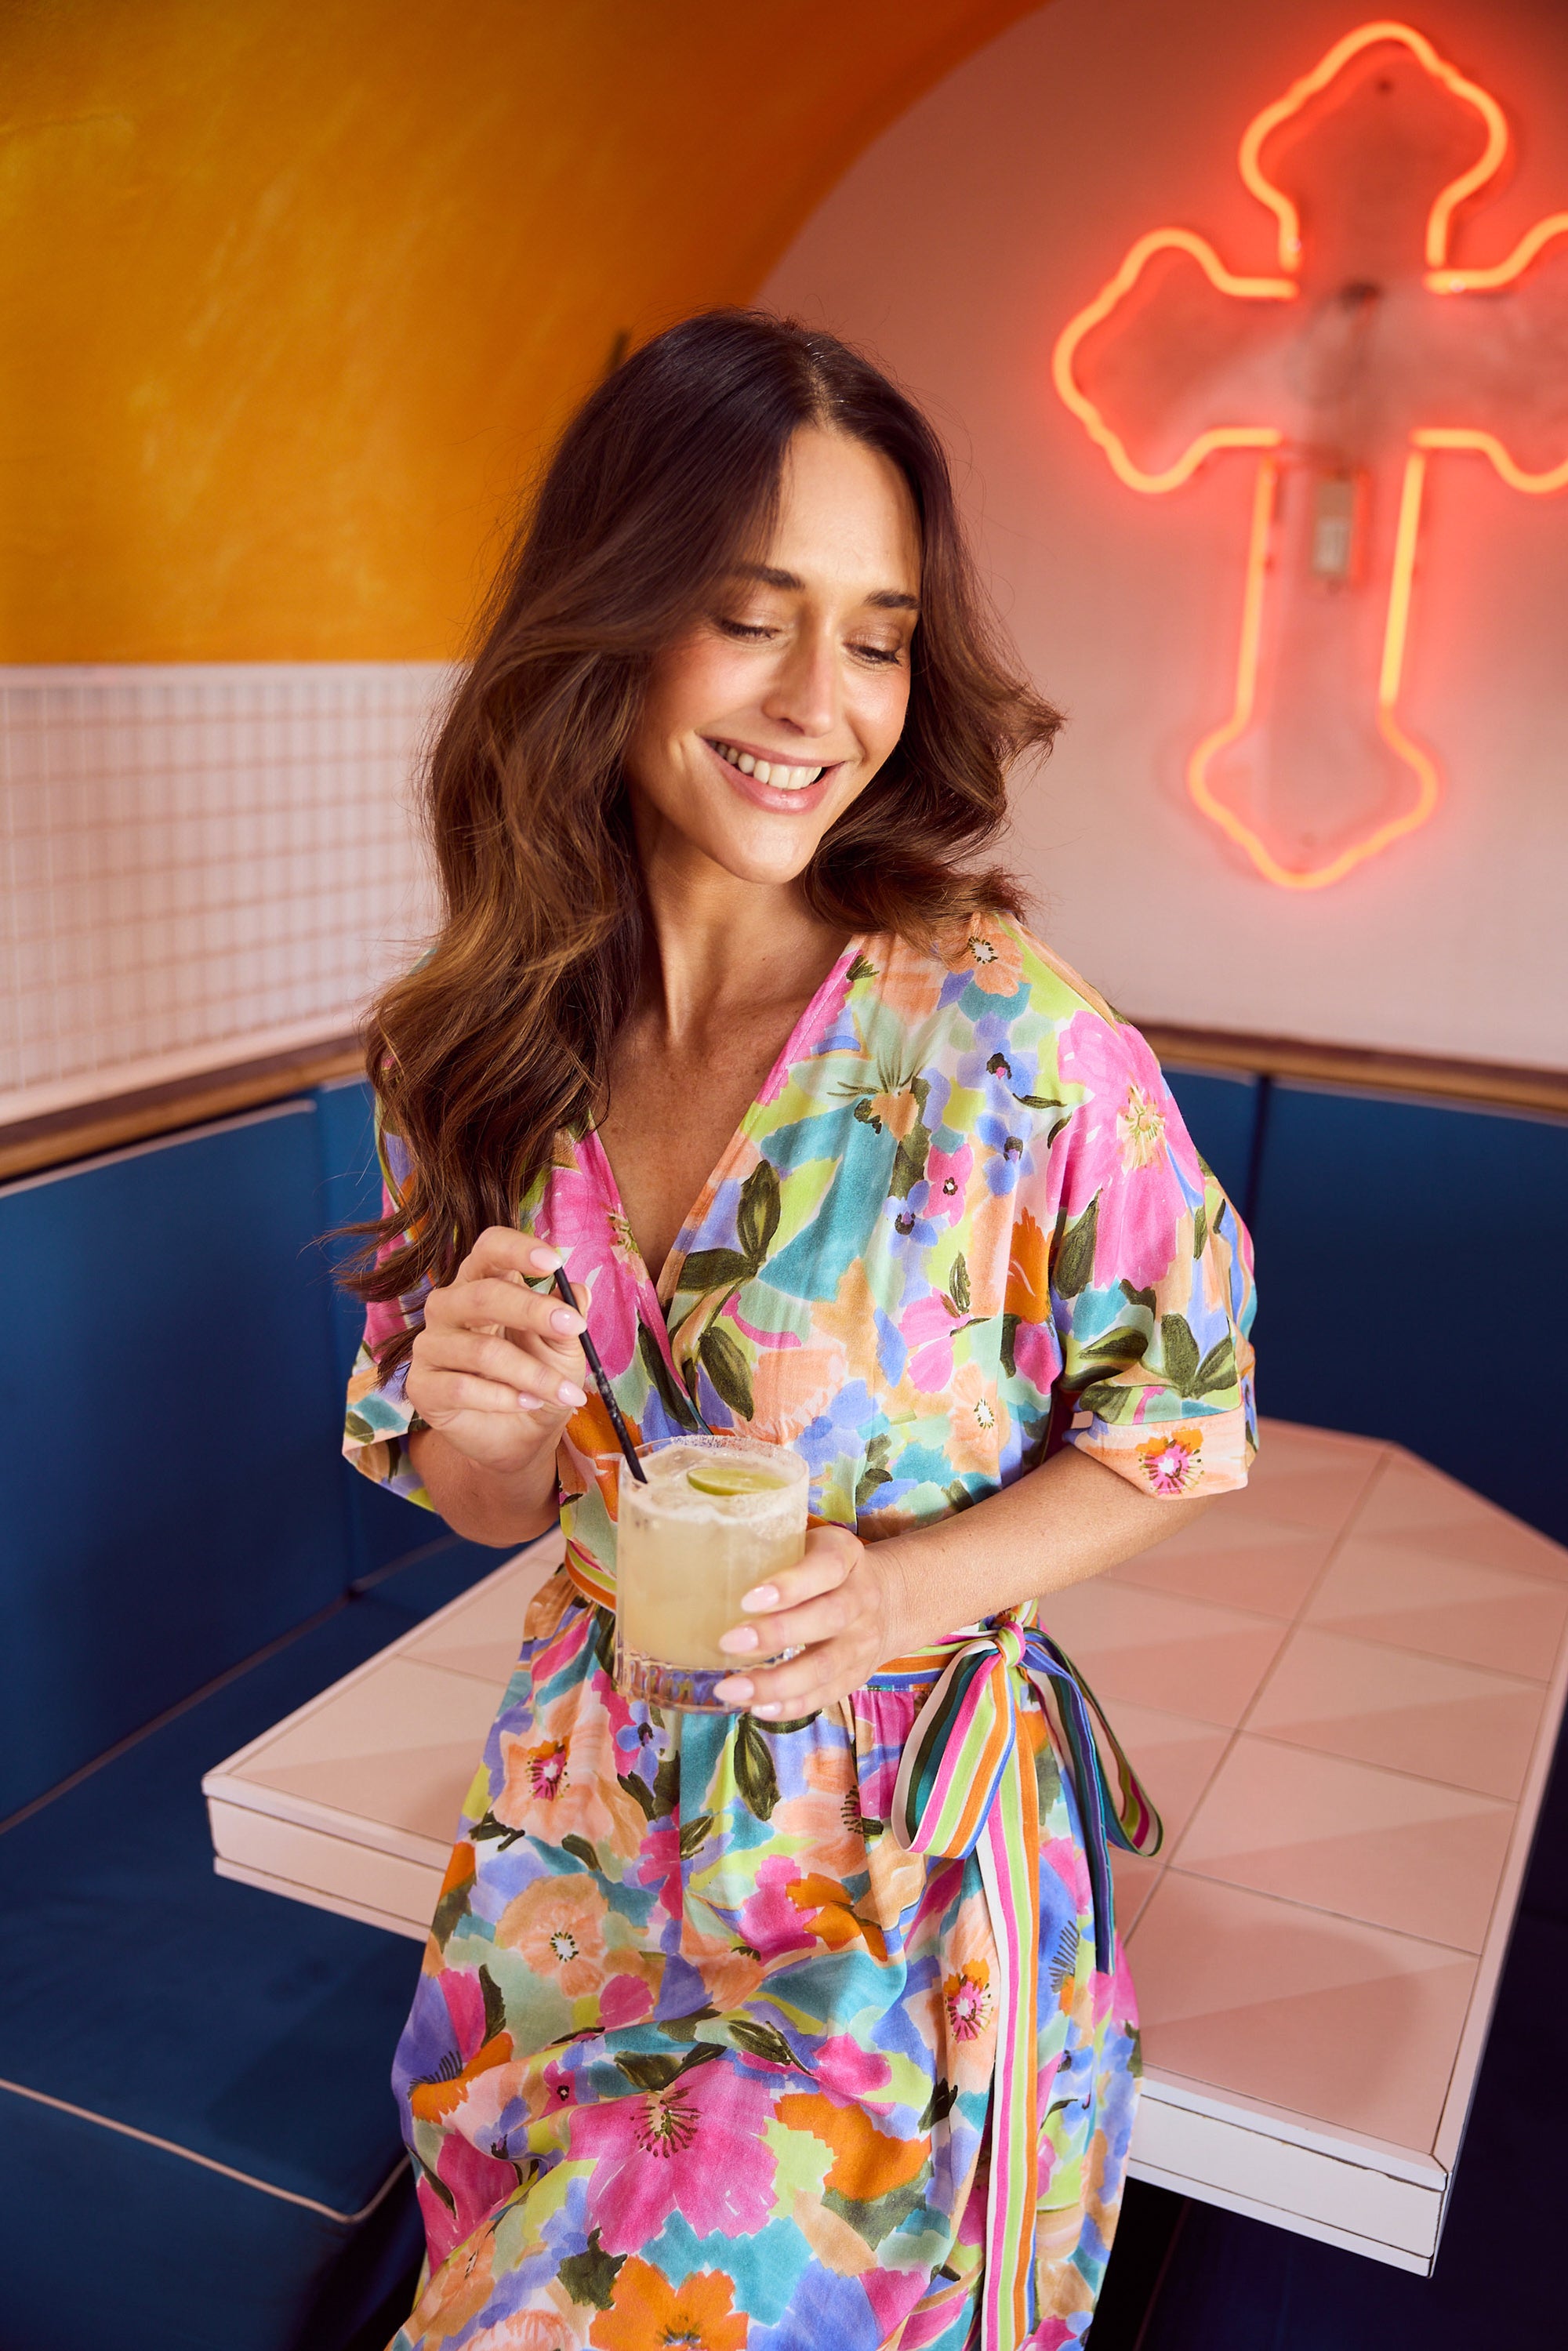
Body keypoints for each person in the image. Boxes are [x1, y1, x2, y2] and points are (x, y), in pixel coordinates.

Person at [343, 310, 1257, 2351]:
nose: (819, 702)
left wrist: (906, 1583)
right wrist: (477, 1419)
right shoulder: (482, 1049)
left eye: (875, 632)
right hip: (570, 1870)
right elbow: (486, 1502)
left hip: (890, 1899)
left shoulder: (1004, 1037)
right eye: (750, 618)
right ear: (615, 622)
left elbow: (1182, 1417)